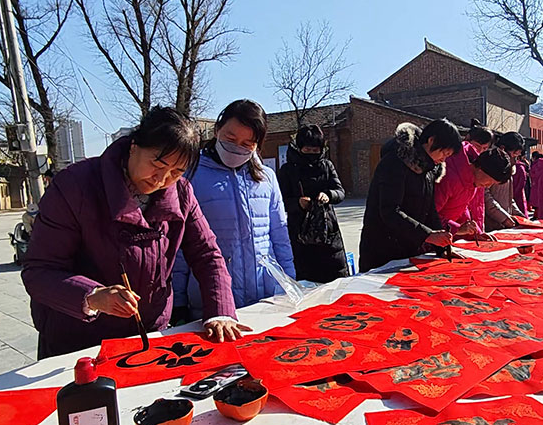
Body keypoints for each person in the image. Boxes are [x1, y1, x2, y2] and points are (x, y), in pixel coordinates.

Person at [22, 106, 248, 359]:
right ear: (134, 147)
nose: (161, 179)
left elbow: (207, 255)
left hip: (149, 335)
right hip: (78, 340)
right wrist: (93, 296)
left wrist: (220, 311)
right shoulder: (75, 186)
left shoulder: (181, 193)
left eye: (176, 172)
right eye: (157, 164)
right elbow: (39, 271)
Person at [173, 99, 295, 317]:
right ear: (217, 130)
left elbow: (280, 237)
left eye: (248, 143)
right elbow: (180, 245)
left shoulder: (266, 178)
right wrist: (178, 301)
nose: (237, 147)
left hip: (266, 297)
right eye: (230, 139)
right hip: (212, 301)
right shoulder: (189, 175)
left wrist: (289, 283)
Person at [359, 119, 461, 272]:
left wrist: (442, 247)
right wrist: (427, 235)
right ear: (431, 140)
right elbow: (390, 211)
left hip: (408, 247)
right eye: (444, 153)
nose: (443, 159)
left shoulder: (428, 169)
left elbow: (430, 210)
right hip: (382, 248)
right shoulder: (395, 162)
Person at [277, 124, 349, 283]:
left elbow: (340, 191)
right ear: (299, 148)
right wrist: (298, 203)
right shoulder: (288, 170)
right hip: (300, 234)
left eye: (315, 150)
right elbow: (279, 202)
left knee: (336, 281)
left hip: (328, 232)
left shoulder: (327, 166)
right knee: (307, 283)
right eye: (307, 150)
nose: (311, 153)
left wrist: (329, 195)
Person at [435, 147, 513, 240]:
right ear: (480, 169)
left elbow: (460, 207)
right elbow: (430, 215)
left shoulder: (472, 183)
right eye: (490, 181)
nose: (488, 186)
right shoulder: (450, 179)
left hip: (444, 235)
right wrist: (457, 228)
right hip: (432, 236)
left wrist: (475, 233)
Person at [458, 119, 496, 231]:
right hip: (460, 225)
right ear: (468, 140)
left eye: (485, 148)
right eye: (477, 146)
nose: (479, 151)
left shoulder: (483, 165)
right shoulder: (461, 163)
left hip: (476, 222)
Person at [484, 132, 525, 230]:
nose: (515, 160)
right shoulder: (491, 164)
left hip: (504, 223)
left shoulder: (509, 168)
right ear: (503, 148)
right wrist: (503, 218)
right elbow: (485, 196)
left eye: (517, 156)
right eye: (514, 155)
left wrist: (520, 216)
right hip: (491, 224)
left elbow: (509, 198)